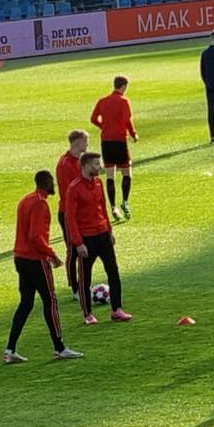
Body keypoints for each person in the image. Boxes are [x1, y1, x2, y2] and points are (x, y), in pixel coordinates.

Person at [6, 171, 84, 364]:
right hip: (36, 260)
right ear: (47, 183)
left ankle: (10, 349)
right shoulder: (41, 203)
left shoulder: (26, 200)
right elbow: (35, 236)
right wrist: (53, 255)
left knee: (26, 304)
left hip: (20, 258)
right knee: (51, 302)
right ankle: (60, 347)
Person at [67, 151, 133, 324]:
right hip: (86, 239)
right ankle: (87, 314)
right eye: (96, 164)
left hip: (103, 234)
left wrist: (109, 231)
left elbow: (102, 208)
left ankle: (117, 309)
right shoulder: (74, 188)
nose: (100, 167)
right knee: (85, 277)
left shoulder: (98, 182)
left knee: (113, 271)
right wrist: (79, 243)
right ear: (86, 166)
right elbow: (70, 218)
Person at [90, 75, 138, 221]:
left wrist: (103, 126)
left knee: (110, 175)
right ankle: (125, 201)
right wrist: (133, 134)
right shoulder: (124, 101)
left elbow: (93, 118)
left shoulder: (103, 101)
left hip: (106, 142)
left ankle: (113, 207)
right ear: (123, 86)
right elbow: (127, 120)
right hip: (119, 141)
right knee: (126, 172)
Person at [54, 129, 89, 300]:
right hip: (69, 214)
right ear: (77, 142)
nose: (87, 144)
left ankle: (83, 284)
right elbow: (70, 192)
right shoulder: (65, 164)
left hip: (82, 213)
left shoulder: (81, 160)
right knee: (73, 250)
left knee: (85, 248)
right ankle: (74, 288)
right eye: (85, 141)